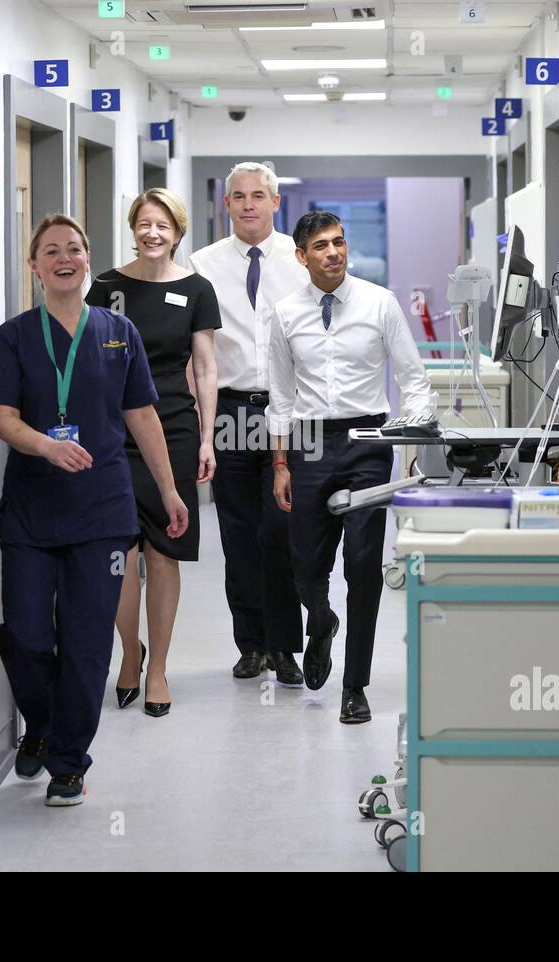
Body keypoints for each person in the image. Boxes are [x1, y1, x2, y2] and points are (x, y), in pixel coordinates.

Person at [0, 213, 188, 805]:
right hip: (31, 511)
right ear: (34, 266)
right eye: (51, 251)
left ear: (88, 258)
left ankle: (68, 762)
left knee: (87, 641)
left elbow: (143, 416)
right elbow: (3, 416)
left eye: (75, 247)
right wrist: (46, 445)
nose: (64, 258)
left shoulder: (118, 332)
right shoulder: (15, 335)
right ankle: (42, 727)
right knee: (23, 638)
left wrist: (170, 491)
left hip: (102, 513)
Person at [268, 211, 436, 724]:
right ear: (301, 256)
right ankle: (320, 623)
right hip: (309, 444)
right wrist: (279, 463)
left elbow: (414, 379)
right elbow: (279, 393)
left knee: (364, 565)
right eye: (320, 246)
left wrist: (412, 434)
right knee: (304, 563)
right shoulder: (285, 313)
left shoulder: (378, 303)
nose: (333, 252)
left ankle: (354, 686)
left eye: (339, 242)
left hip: (368, 441)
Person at [86, 189, 220, 717]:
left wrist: (209, 437)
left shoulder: (196, 290)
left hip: (174, 428)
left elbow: (206, 369)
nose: (152, 233)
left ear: (177, 232)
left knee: (166, 551)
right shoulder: (106, 287)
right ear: (133, 228)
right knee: (121, 554)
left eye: (162, 225)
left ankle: (159, 666)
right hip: (114, 432)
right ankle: (128, 654)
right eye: (144, 223)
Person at [188, 162, 308, 686]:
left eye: (258, 195)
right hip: (231, 409)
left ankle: (286, 646)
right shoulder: (201, 264)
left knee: (281, 531)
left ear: (276, 203)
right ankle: (251, 644)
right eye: (239, 196)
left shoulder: (300, 261)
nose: (249, 204)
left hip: (288, 410)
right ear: (226, 204)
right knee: (238, 534)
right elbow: (195, 349)